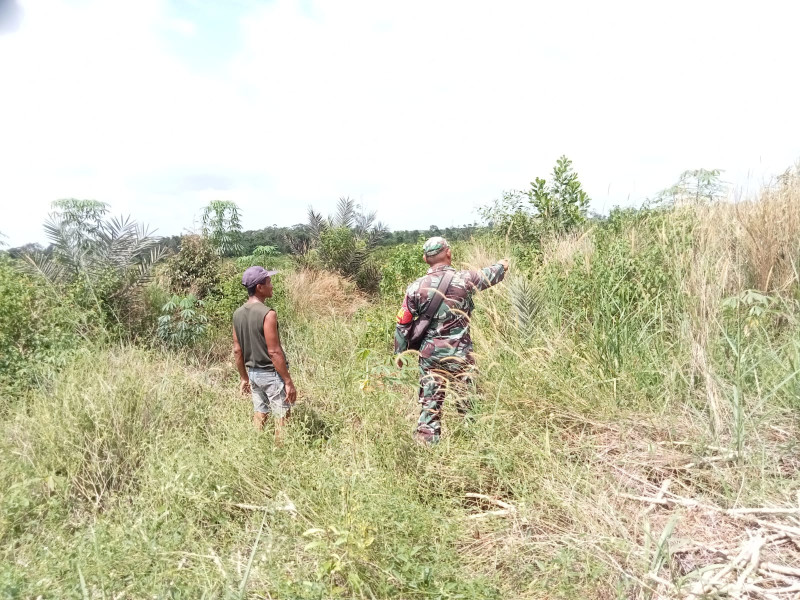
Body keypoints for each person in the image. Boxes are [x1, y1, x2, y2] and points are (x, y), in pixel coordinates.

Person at [394, 237, 509, 444]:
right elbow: (491, 275)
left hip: (430, 358)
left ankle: (427, 448)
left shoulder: (415, 288)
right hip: (460, 355)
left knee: (430, 406)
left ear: (424, 258)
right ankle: (475, 446)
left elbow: (403, 324)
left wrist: (399, 354)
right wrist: (502, 264)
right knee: (469, 406)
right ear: (448, 252)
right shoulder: (465, 279)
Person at [233, 266, 297, 438]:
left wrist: (244, 377)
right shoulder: (268, 314)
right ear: (259, 287)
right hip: (270, 374)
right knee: (282, 416)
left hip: (253, 373)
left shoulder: (237, 314)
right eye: (269, 282)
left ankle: (255, 446)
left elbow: (237, 350)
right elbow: (274, 352)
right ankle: (280, 454)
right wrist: (288, 381)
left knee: (260, 412)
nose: (272, 285)